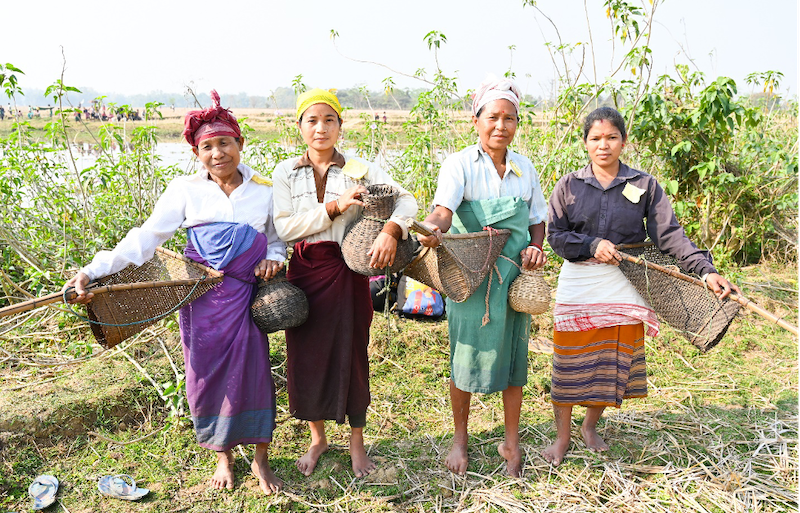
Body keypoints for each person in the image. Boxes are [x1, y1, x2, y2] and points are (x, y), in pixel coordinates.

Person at [62, 91, 287, 495]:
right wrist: (91, 271)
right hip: (201, 305)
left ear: (240, 144)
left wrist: (273, 258)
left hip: (244, 303)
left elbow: (276, 239)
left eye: (225, 143)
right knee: (207, 376)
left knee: (254, 376)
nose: (217, 153)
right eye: (207, 147)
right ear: (196, 154)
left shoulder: (266, 190)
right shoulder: (185, 190)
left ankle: (260, 459)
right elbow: (144, 239)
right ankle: (223, 455)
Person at [543, 106, 741, 466]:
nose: (603, 145)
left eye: (611, 137)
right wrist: (590, 245)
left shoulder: (645, 185)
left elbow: (670, 237)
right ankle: (562, 437)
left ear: (624, 140)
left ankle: (590, 426)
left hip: (625, 281)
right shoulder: (568, 186)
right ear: (585, 143)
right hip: (580, 284)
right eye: (595, 138)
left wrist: (705, 270)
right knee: (568, 363)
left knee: (612, 363)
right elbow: (555, 237)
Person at [272, 88, 417, 478]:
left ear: (340, 125)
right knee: (305, 354)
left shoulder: (359, 169)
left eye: (329, 120)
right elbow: (285, 228)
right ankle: (317, 438)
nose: (321, 128)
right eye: (312, 120)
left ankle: (356, 444)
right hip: (305, 271)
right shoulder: (286, 171)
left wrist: (391, 230)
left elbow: (407, 200)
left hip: (348, 270)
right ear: (299, 126)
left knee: (353, 353)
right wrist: (332, 208)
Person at [417, 76, 547, 477]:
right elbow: (443, 211)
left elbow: (538, 220)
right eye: (493, 117)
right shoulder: (459, 164)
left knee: (513, 357)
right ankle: (460, 439)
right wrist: (429, 228)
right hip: (469, 278)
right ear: (475, 120)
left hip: (512, 280)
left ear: (517, 125)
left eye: (509, 118)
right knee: (465, 353)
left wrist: (536, 247)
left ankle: (511, 442)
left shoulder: (525, 168)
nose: (500, 126)